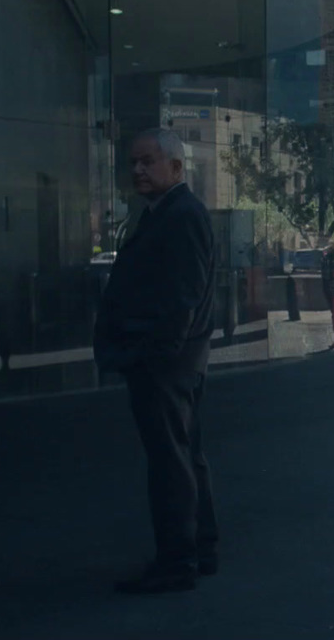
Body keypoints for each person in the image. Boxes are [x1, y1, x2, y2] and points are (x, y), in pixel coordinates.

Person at [94, 128, 219, 594]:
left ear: (176, 167)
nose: (138, 170)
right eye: (133, 163)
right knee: (186, 456)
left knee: (170, 462)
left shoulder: (180, 214)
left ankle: (177, 561)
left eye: (147, 161)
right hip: (175, 360)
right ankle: (199, 550)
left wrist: (153, 356)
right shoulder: (169, 212)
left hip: (166, 363)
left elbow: (182, 297)